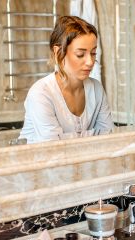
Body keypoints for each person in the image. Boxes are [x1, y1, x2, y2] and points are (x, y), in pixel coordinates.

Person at [19, 16, 114, 144]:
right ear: (58, 52)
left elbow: (107, 140)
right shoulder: (41, 93)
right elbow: (54, 149)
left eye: (93, 53)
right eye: (80, 54)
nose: (90, 62)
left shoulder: (96, 89)